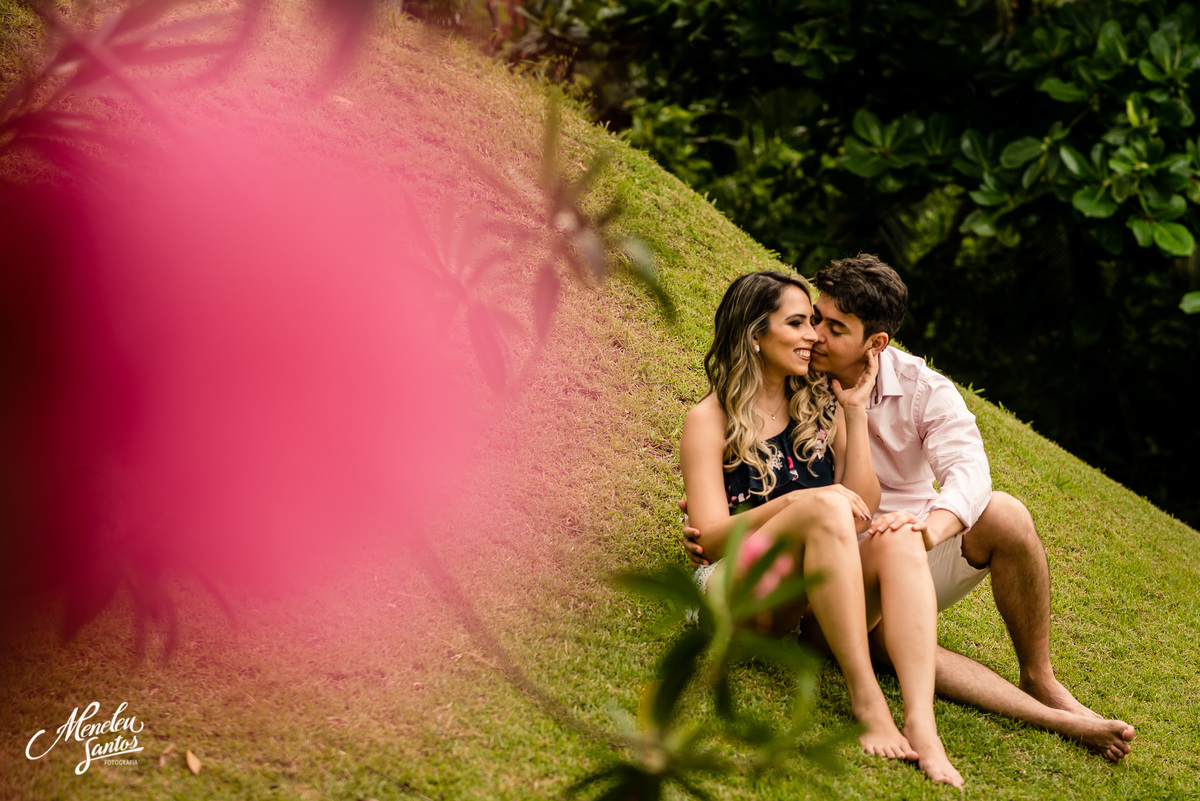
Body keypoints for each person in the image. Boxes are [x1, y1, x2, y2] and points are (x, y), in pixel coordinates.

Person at [684, 254, 1136, 764]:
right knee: (849, 527)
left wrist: (923, 526)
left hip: (882, 551)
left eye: (831, 327)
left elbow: (962, 476)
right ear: (757, 335)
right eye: (810, 319)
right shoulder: (775, 393)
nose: (815, 336)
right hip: (804, 566)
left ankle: (1025, 690)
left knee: (1001, 514)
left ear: (875, 343)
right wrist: (790, 504)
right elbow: (721, 527)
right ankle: (880, 703)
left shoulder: (891, 394)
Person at [681, 270, 964, 787]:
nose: (813, 334)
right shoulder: (709, 418)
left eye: (814, 322)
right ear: (755, 335)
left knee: (894, 534)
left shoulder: (815, 403)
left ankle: (921, 721)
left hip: (798, 604)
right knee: (826, 507)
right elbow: (710, 539)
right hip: (732, 594)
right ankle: (867, 699)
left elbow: (862, 505)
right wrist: (807, 501)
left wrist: (854, 414)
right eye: (798, 322)